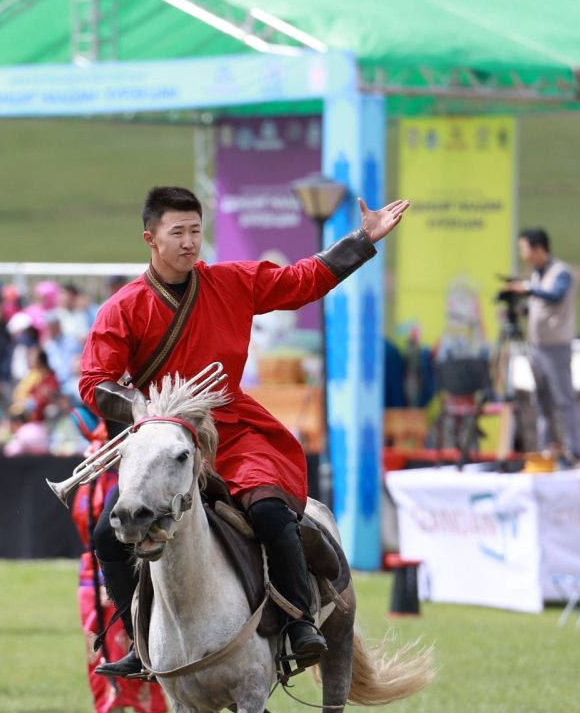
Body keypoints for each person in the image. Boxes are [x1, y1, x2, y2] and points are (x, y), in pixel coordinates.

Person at [79, 185, 409, 679]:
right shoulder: (123, 308)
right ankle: (139, 640)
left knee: (272, 510)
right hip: (165, 438)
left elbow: (302, 281)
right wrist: (148, 410)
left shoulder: (231, 282)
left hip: (232, 427)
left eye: (196, 230)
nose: (190, 242)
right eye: (178, 232)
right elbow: (94, 382)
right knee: (108, 535)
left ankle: (300, 623)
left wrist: (362, 239)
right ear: (150, 238)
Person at [70, 419, 165, 713]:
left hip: (118, 570)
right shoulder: (101, 464)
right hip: (99, 573)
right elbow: (91, 519)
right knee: (106, 648)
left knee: (126, 641)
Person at [506, 227, 580, 464]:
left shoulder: (561, 272)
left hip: (556, 347)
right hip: (537, 347)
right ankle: (546, 448)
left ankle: (573, 450)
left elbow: (555, 295)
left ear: (539, 249)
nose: (523, 254)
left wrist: (527, 289)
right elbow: (542, 305)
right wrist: (523, 309)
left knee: (563, 400)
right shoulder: (537, 274)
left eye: (525, 248)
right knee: (542, 400)